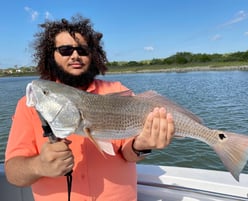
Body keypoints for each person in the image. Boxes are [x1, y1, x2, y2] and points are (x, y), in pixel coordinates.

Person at [5, 15, 175, 201]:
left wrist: (142, 145)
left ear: (93, 55)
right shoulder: (30, 104)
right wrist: (39, 165)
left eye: (83, 50)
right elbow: (13, 173)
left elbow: (128, 153)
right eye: (65, 50)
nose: (75, 55)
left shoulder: (119, 92)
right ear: (50, 55)